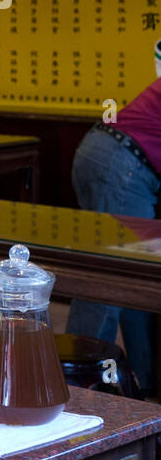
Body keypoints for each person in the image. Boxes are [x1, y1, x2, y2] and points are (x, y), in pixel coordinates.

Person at [65, 76, 161, 397]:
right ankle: (76, 389)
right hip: (122, 165)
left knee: (133, 277)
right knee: (106, 279)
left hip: (108, 154)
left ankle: (145, 385)